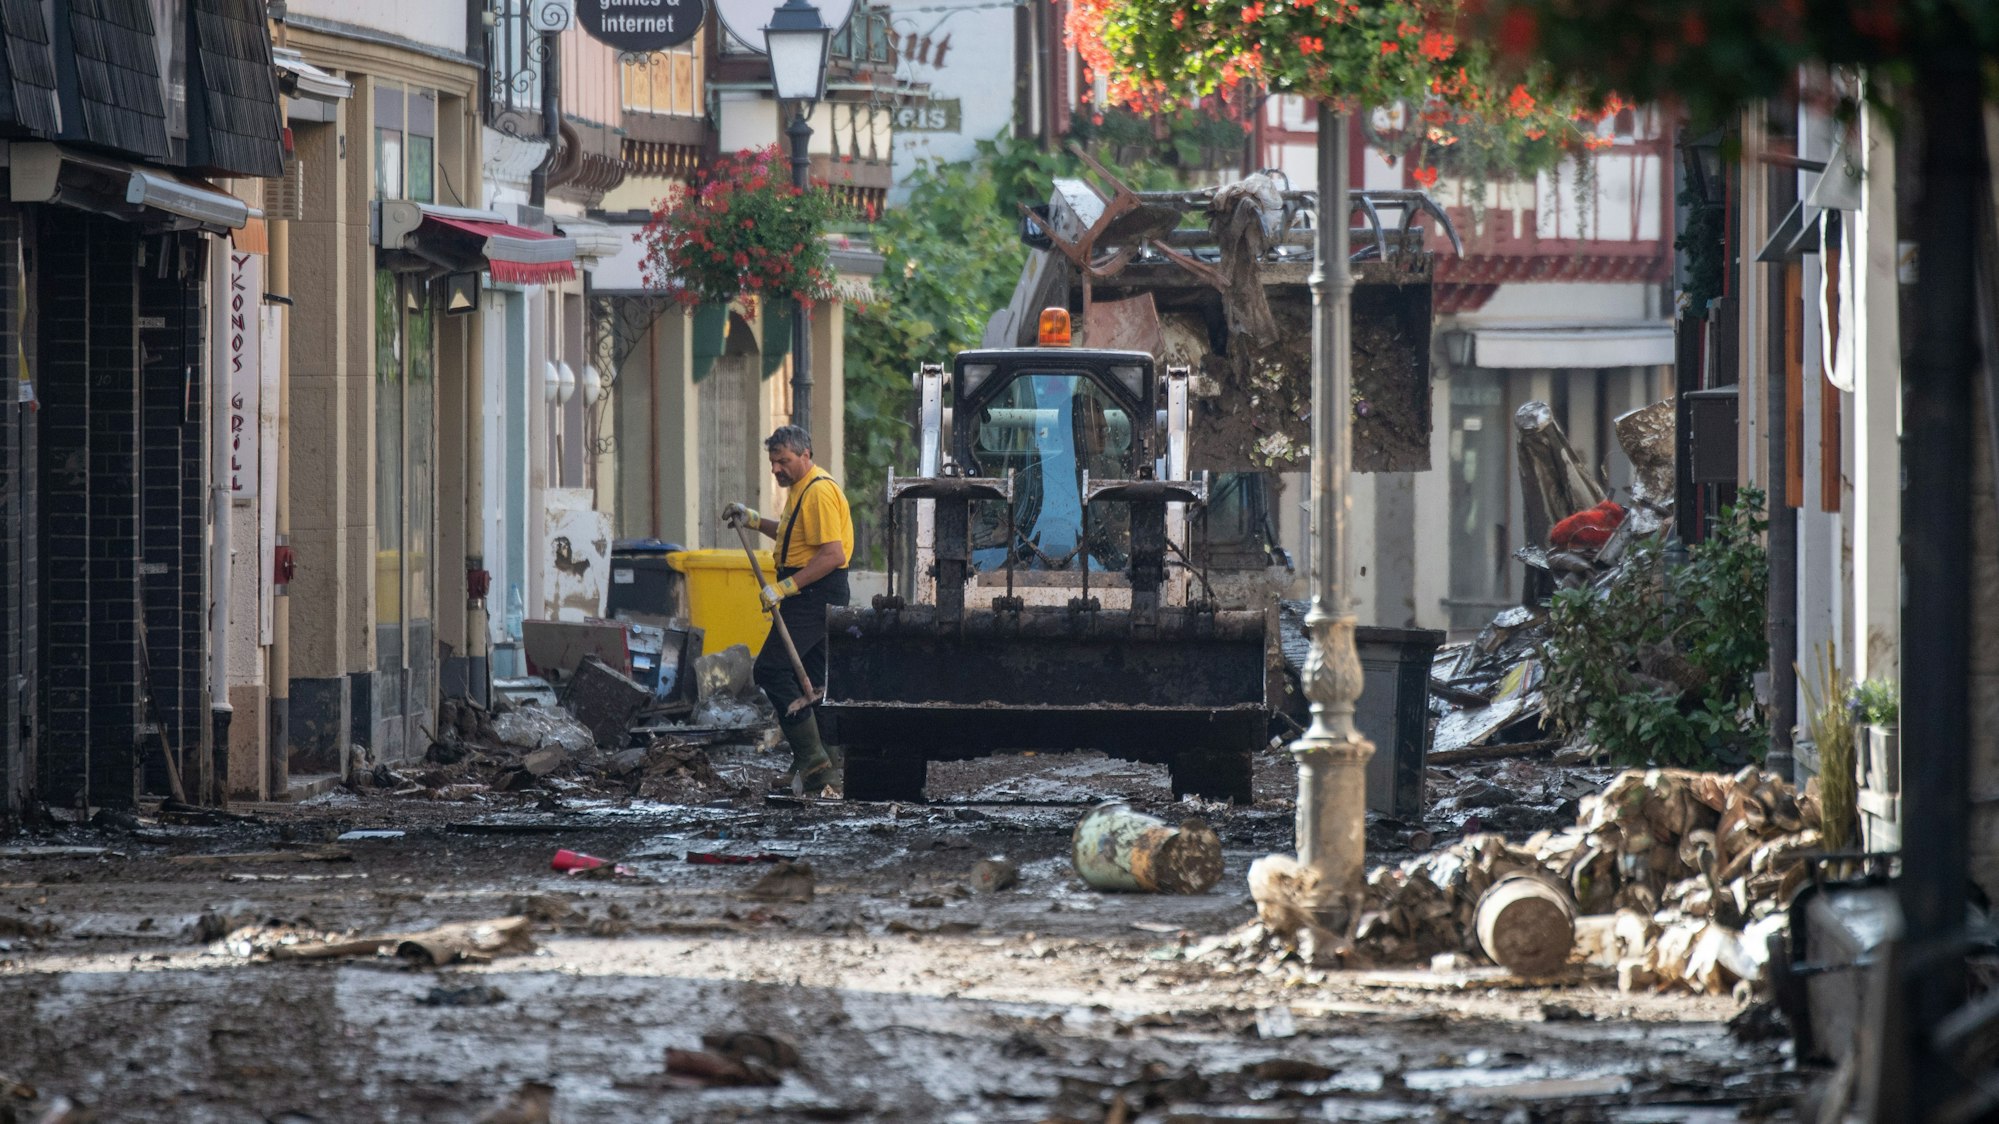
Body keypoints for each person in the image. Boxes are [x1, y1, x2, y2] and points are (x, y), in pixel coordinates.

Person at [723, 425, 854, 795]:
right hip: (811, 590)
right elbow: (793, 532)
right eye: (773, 462)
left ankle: (811, 756)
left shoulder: (820, 492)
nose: (776, 468)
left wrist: (786, 587)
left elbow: (832, 554)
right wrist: (752, 519)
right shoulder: (803, 489)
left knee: (771, 669)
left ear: (806, 455)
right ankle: (826, 771)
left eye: (784, 461)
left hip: (814, 592)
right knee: (812, 681)